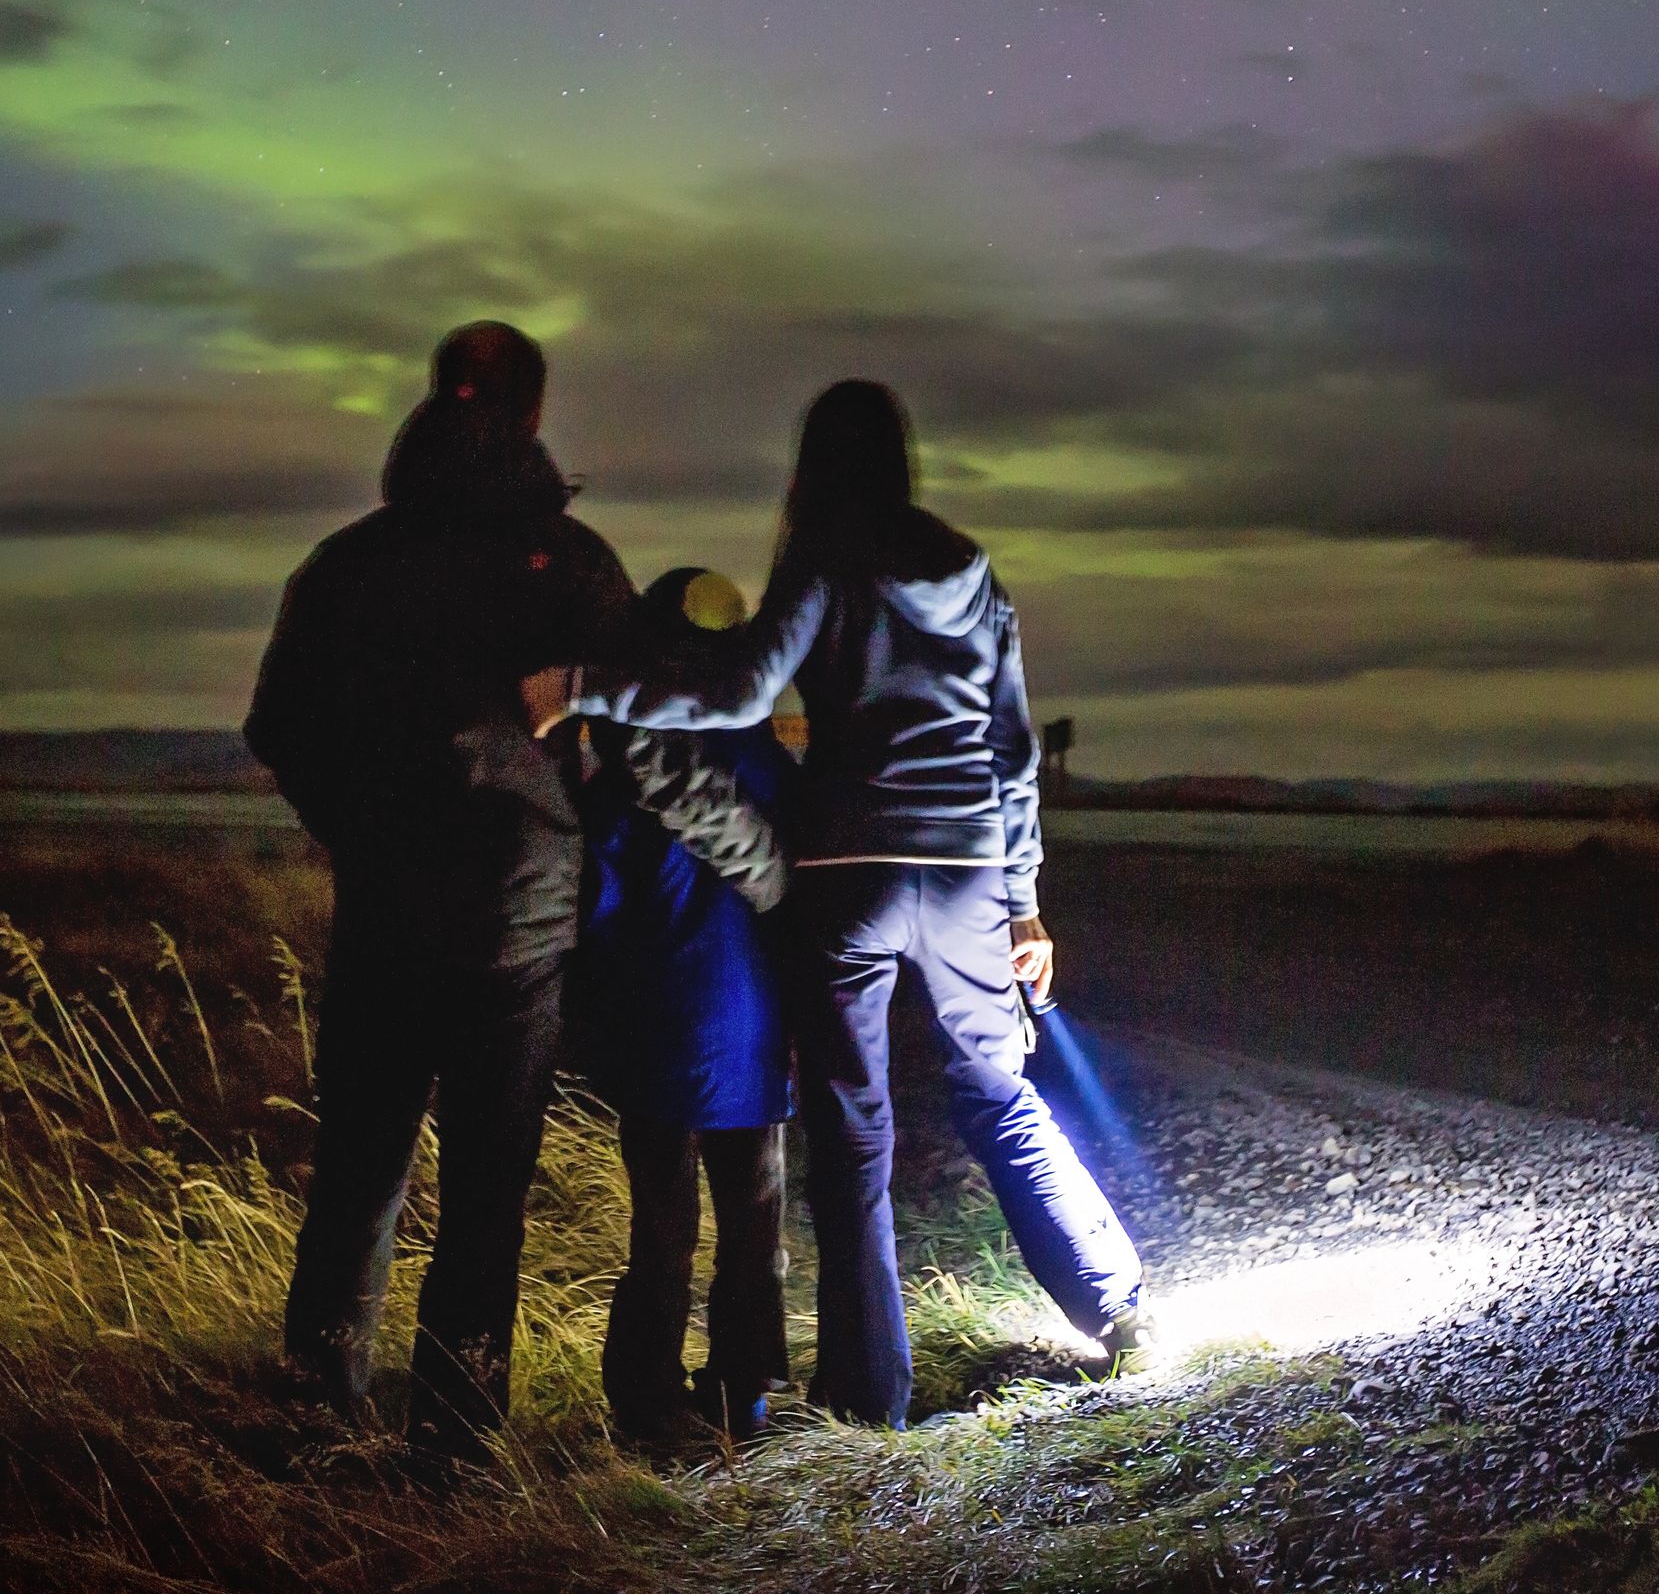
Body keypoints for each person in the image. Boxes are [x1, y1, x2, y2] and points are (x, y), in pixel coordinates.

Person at [533, 379, 1144, 1427]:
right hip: (963, 875)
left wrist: (586, 684)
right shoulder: (971, 570)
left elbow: (734, 695)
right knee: (1000, 1089)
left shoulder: (820, 558)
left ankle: (870, 1399)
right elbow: (1011, 753)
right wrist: (1024, 904)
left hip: (847, 871)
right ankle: (1116, 1305)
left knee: (854, 1136)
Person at [244, 323, 784, 1463]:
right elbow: (642, 751)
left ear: (432, 400)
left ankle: (314, 1418)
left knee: (358, 1178)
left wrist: (359, 830)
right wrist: (761, 865)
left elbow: (277, 724)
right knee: (487, 1195)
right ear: (535, 416)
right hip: (521, 925)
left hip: (385, 914)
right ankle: (456, 1442)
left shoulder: (346, 565)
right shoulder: (575, 566)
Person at [568, 565, 798, 1445]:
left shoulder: (626, 772)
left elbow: (600, 907)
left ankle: (649, 1401)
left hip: (661, 1029)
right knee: (753, 1221)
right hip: (755, 1031)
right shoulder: (772, 762)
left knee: (662, 1228)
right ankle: (748, 1393)